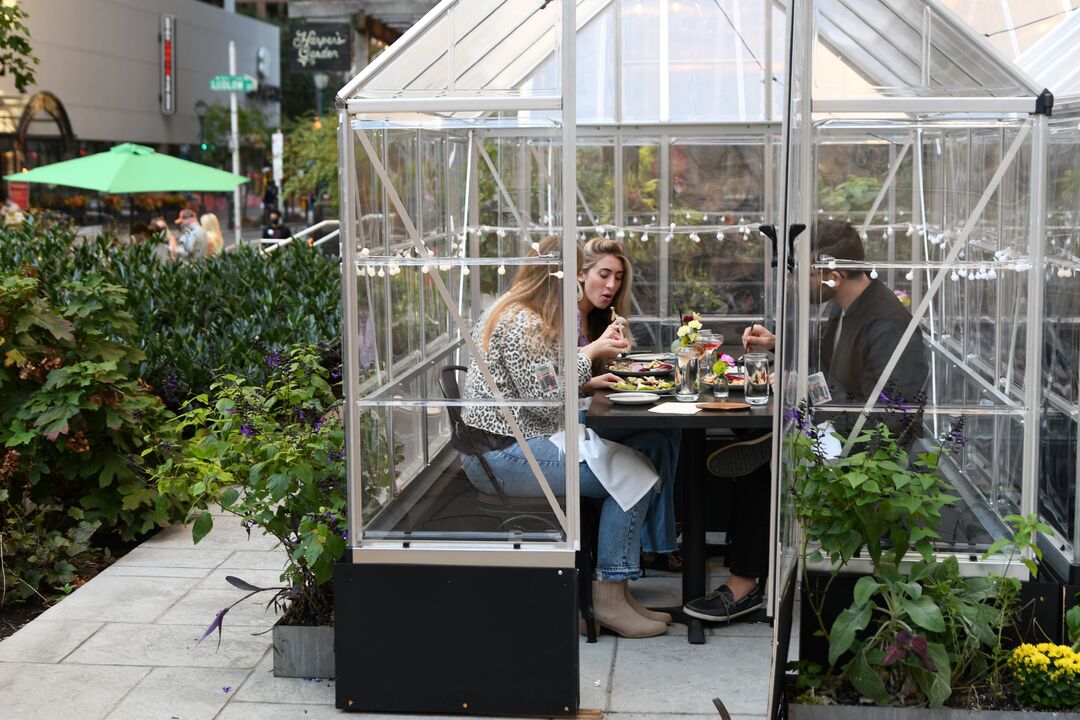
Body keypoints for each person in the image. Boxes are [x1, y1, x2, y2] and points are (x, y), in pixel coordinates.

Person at [683, 219, 929, 623]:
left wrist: (806, 386)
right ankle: (746, 556)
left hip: (871, 454)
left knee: (767, 468)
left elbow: (891, 418)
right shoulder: (850, 307)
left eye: (804, 273)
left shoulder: (885, 323)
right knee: (749, 430)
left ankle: (745, 585)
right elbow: (834, 365)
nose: (797, 282)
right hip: (838, 431)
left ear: (833, 276)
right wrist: (781, 347)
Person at [461, 235, 675, 638]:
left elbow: (543, 392)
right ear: (559, 273)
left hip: (516, 442)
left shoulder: (521, 312)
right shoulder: (523, 321)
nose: (579, 280)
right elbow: (545, 402)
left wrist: (586, 371)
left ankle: (614, 592)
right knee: (635, 473)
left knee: (636, 465)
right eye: (577, 271)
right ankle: (609, 596)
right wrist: (590, 352)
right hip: (503, 455)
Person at [577, 237, 682, 573]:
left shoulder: (595, 317)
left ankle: (652, 544)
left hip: (592, 409)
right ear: (581, 274)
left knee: (656, 440)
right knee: (668, 426)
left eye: (618, 277)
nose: (611, 285)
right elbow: (553, 380)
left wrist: (616, 350)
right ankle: (657, 544)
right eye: (604, 274)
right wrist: (596, 357)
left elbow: (599, 372)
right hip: (569, 423)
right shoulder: (563, 315)